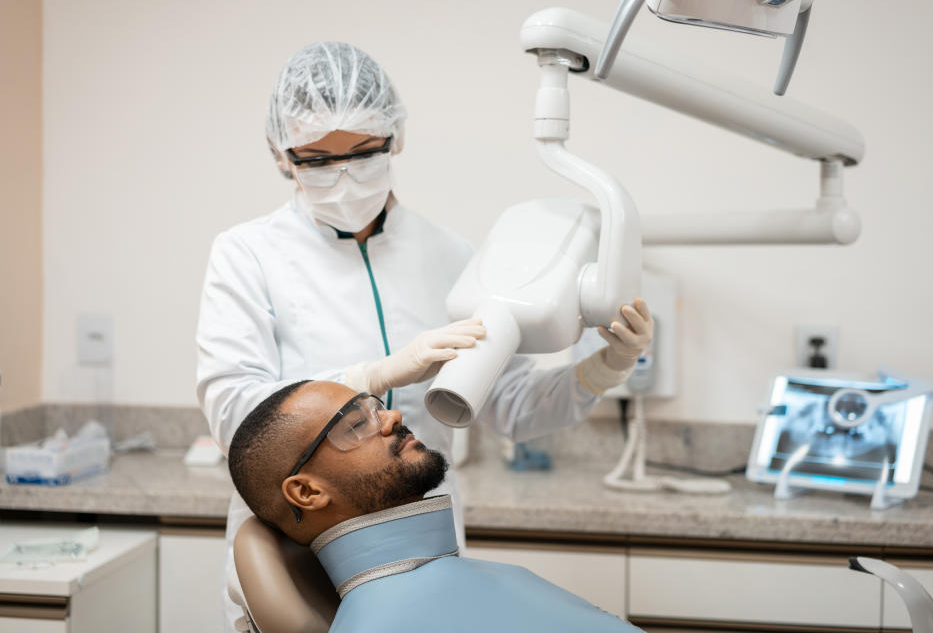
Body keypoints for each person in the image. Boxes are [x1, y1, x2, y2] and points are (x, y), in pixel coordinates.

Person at [196, 41, 653, 630]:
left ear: (396, 137)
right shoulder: (247, 254)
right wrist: (376, 376)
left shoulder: (449, 255)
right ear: (280, 155)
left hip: (421, 556)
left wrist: (606, 365)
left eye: (362, 152)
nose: (341, 175)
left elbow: (510, 406)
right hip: (296, 557)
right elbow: (237, 414)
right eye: (314, 158)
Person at [228, 380, 641, 632]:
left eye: (376, 407)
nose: (391, 417)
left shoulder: (476, 579)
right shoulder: (382, 623)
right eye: (356, 424)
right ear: (307, 493)